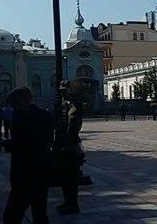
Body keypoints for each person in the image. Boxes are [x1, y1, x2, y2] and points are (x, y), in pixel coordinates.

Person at [2, 87, 53, 224]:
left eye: (14, 104)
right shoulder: (46, 116)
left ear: (21, 101)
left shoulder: (20, 117)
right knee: (40, 212)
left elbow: (23, 143)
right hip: (42, 172)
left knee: (11, 215)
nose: (14, 108)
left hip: (23, 173)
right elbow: (48, 141)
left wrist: (8, 144)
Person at [54, 81, 86, 215]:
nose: (62, 93)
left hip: (69, 146)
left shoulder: (73, 105)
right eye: (61, 90)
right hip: (63, 144)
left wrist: (66, 144)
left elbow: (72, 126)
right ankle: (68, 202)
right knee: (64, 177)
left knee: (70, 178)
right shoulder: (64, 104)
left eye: (65, 90)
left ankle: (72, 204)